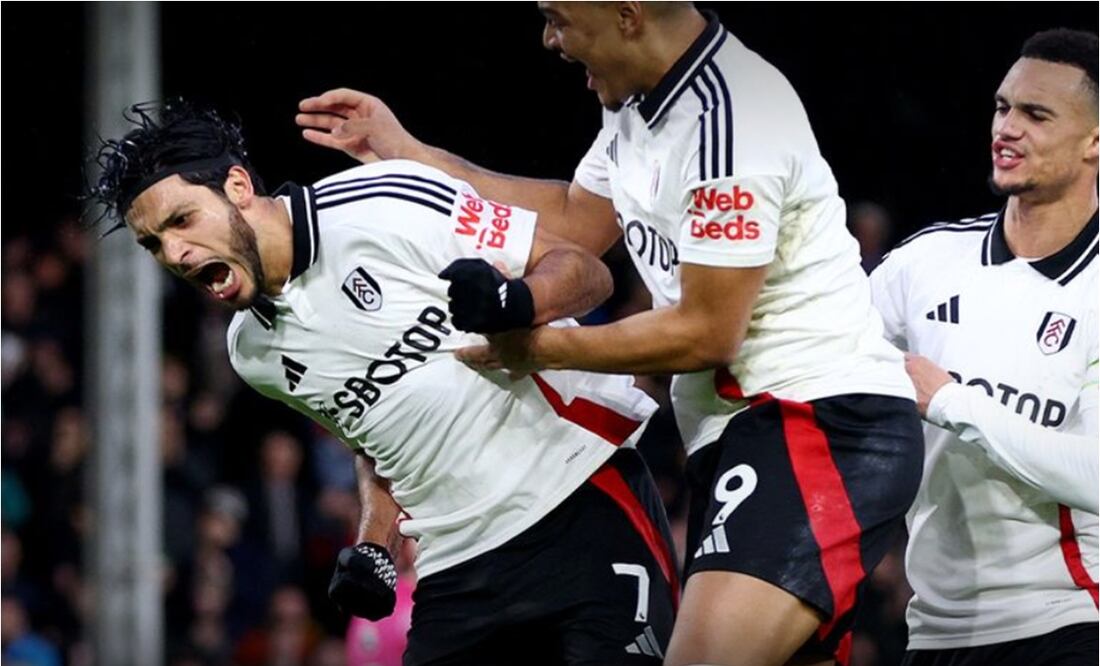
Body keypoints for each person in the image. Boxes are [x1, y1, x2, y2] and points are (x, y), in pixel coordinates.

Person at [296, 3, 922, 664]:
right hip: (740, 437)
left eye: (558, 18)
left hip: (815, 424)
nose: (550, 40)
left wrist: (537, 349)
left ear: (626, 14)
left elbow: (708, 333)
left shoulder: (731, 121)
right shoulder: (639, 106)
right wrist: (411, 155)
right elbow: (574, 223)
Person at [88, 101, 679, 665]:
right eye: (153, 244)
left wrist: (517, 299)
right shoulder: (252, 353)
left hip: (579, 498)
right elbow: (378, 446)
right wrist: (375, 544)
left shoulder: (383, 201)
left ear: (239, 188)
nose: (175, 253)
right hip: (455, 567)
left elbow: (586, 270)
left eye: (181, 220)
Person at [869, 28, 1099, 665]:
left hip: (1071, 621)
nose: (1008, 127)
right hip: (934, 629)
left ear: (1094, 142)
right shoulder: (924, 263)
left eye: (1036, 114)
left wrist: (950, 401)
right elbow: (821, 370)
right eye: (1002, 107)